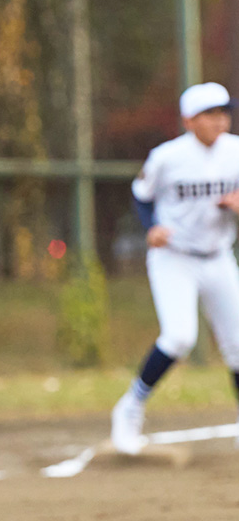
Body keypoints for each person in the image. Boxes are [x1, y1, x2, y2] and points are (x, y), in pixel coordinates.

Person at [111, 81, 239, 454]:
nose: (220, 121)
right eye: (211, 114)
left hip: (218, 257)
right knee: (180, 336)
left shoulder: (235, 151)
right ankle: (130, 406)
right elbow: (141, 195)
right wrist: (151, 227)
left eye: (224, 113)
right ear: (188, 120)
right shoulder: (167, 157)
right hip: (175, 258)